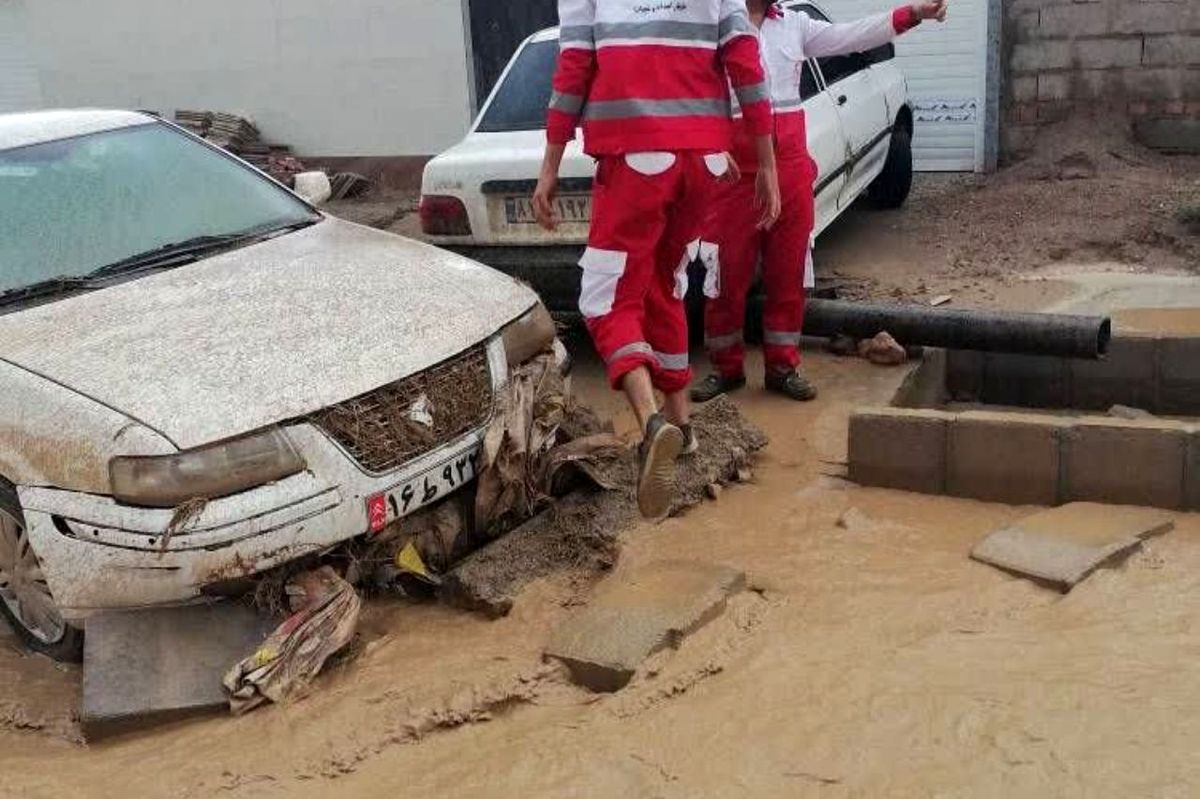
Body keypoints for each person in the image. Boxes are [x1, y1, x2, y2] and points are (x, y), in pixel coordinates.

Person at [533, 0, 783, 521]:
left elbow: (573, 70)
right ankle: (683, 428)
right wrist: (766, 162)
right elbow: (747, 69)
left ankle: (651, 426)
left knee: (606, 296)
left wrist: (550, 165)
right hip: (706, 161)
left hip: (635, 160)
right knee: (662, 285)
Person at [692, 0, 947, 403]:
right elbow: (693, 91)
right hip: (734, 176)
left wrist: (910, 14)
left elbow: (853, 35)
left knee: (788, 274)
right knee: (724, 278)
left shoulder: (795, 25)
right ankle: (726, 369)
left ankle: (782, 367)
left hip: (791, 169)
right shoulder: (715, 26)